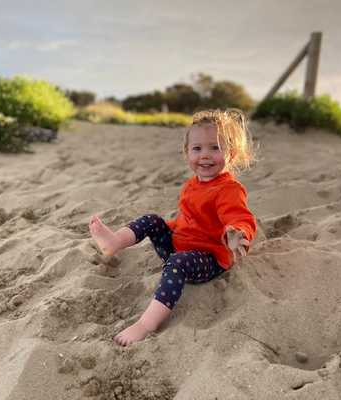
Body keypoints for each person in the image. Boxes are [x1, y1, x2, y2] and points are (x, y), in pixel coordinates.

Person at [89, 109, 257, 346]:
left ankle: (146, 324)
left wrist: (237, 234)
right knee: (153, 220)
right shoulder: (192, 184)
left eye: (215, 148)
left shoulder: (229, 189)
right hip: (180, 246)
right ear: (186, 152)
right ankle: (115, 242)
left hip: (209, 258)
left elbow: (240, 216)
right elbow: (187, 221)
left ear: (232, 153)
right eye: (197, 149)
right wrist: (169, 229)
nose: (205, 155)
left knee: (177, 264)